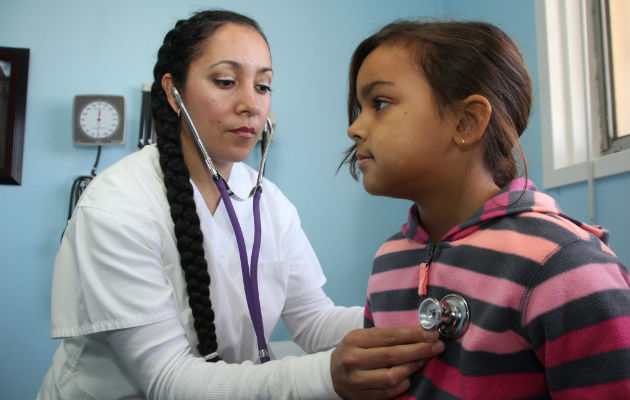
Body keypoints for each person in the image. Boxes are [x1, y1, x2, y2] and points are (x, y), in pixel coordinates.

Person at [37, 10, 445, 400]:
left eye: (263, 86)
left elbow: (314, 322)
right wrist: (327, 375)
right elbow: (168, 380)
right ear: (172, 93)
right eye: (226, 81)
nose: (251, 103)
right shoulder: (117, 208)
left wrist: (416, 316)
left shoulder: (269, 203)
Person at [341, 19, 630, 399]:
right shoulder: (389, 261)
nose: (355, 128)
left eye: (379, 103)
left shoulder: (561, 267)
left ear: (466, 121)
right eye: (359, 108)